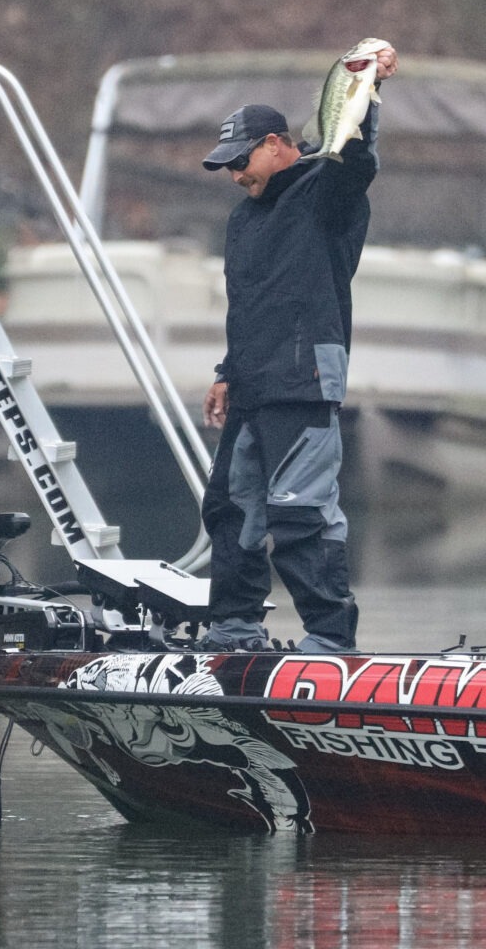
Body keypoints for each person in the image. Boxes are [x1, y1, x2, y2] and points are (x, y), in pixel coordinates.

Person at [194, 44, 400, 654]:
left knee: (300, 513)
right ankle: (234, 630)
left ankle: (331, 638)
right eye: (227, 167)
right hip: (251, 386)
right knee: (229, 510)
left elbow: (356, 156)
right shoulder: (243, 219)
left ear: (276, 144)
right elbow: (249, 303)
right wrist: (226, 372)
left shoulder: (326, 190)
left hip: (305, 380)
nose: (236, 175)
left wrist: (368, 88)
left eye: (241, 161)